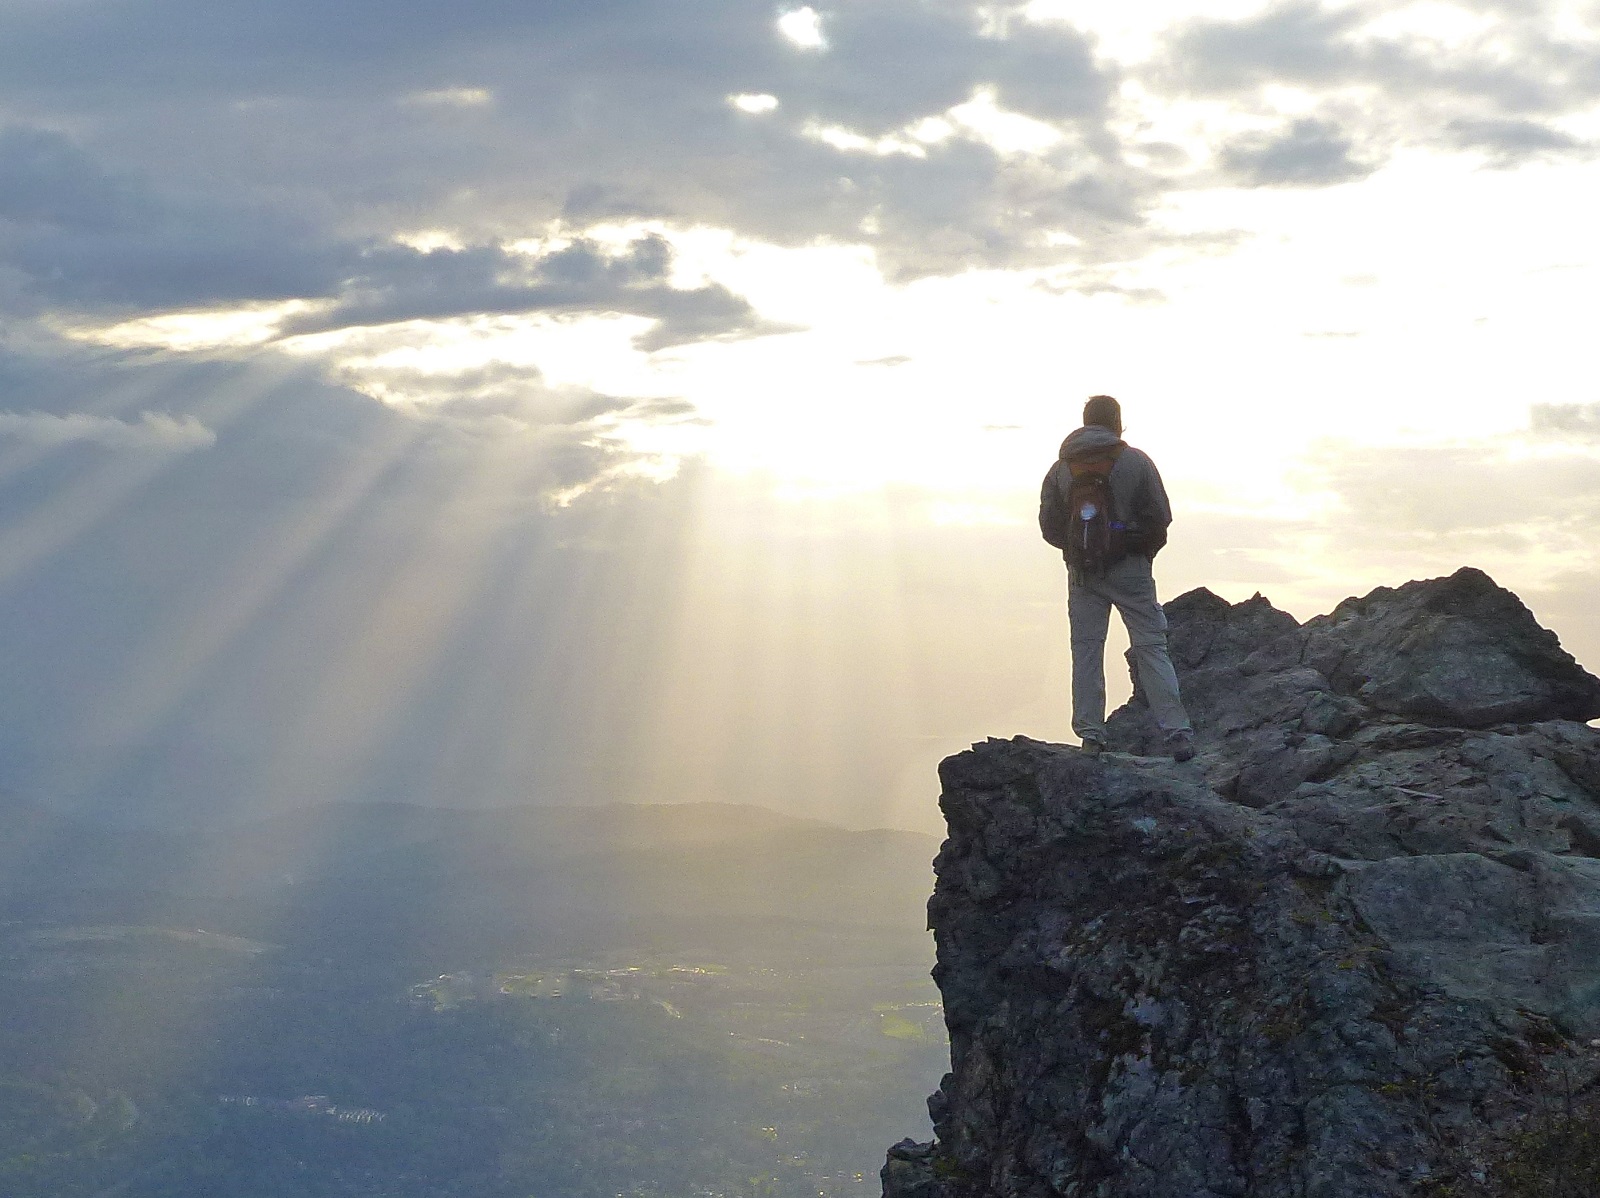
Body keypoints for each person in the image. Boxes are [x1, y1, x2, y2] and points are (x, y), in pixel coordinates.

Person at [1041, 394, 1194, 761]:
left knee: (1087, 649)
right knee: (1151, 647)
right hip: (1132, 570)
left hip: (1083, 574)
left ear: (1084, 420)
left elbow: (1049, 526)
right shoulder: (1136, 462)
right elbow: (1161, 518)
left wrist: (1078, 551)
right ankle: (1177, 734)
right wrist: (1135, 550)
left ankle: (1092, 735)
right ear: (1117, 422)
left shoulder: (1062, 468)